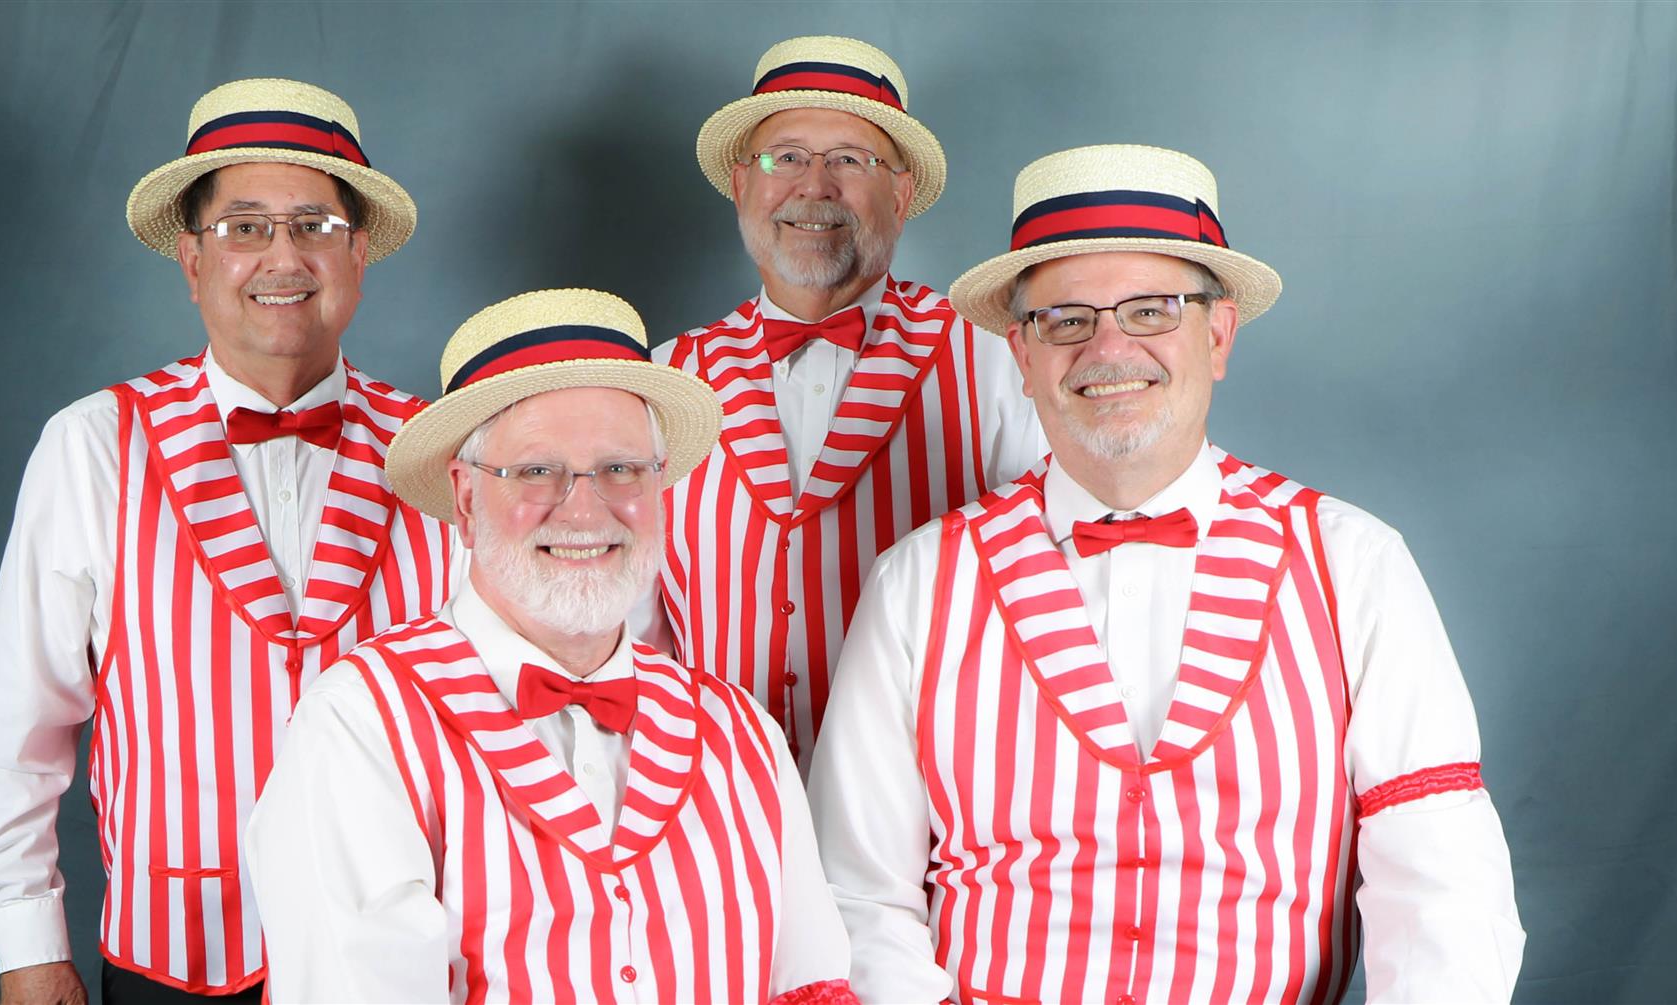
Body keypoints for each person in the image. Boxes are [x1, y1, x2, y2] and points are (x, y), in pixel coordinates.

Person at [808, 145, 1525, 1004]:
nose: (1109, 347)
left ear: (1217, 334)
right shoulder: (916, 588)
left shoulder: (1355, 566)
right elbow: (857, 897)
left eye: (1151, 310)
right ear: (1022, 355)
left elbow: (1443, 887)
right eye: (1067, 318)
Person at [0, 78, 455, 1003]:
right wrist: (26, 941)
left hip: (400, 951)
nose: (283, 256)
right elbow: (13, 726)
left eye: (314, 225)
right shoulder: (95, 443)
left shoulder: (442, 452)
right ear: (191, 260)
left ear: (358, 254)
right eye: (245, 227)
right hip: (173, 956)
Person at [245, 289, 856, 1004]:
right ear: (466, 499)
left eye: (622, 467)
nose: (585, 507)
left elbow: (810, 986)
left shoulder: (743, 736)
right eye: (538, 470)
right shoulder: (360, 729)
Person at [652, 36, 1043, 765]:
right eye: (787, 156)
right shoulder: (665, 377)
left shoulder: (996, 360)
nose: (814, 186)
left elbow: (1045, 590)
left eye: (850, 160)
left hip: (937, 803)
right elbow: (633, 628)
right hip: (718, 810)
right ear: (742, 184)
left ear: (899, 194)